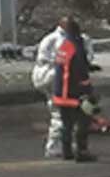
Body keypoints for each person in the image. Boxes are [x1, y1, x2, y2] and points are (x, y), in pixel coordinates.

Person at [51, 18, 97, 163]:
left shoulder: (64, 46)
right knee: (84, 121)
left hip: (61, 93)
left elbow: (67, 67)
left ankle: (67, 152)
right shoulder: (77, 46)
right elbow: (79, 72)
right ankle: (82, 152)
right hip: (73, 93)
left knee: (67, 124)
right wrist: (88, 92)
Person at [32, 17, 69, 158]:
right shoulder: (63, 41)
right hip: (53, 77)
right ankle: (54, 147)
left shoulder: (49, 39)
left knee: (58, 112)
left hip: (43, 77)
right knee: (59, 114)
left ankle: (59, 144)